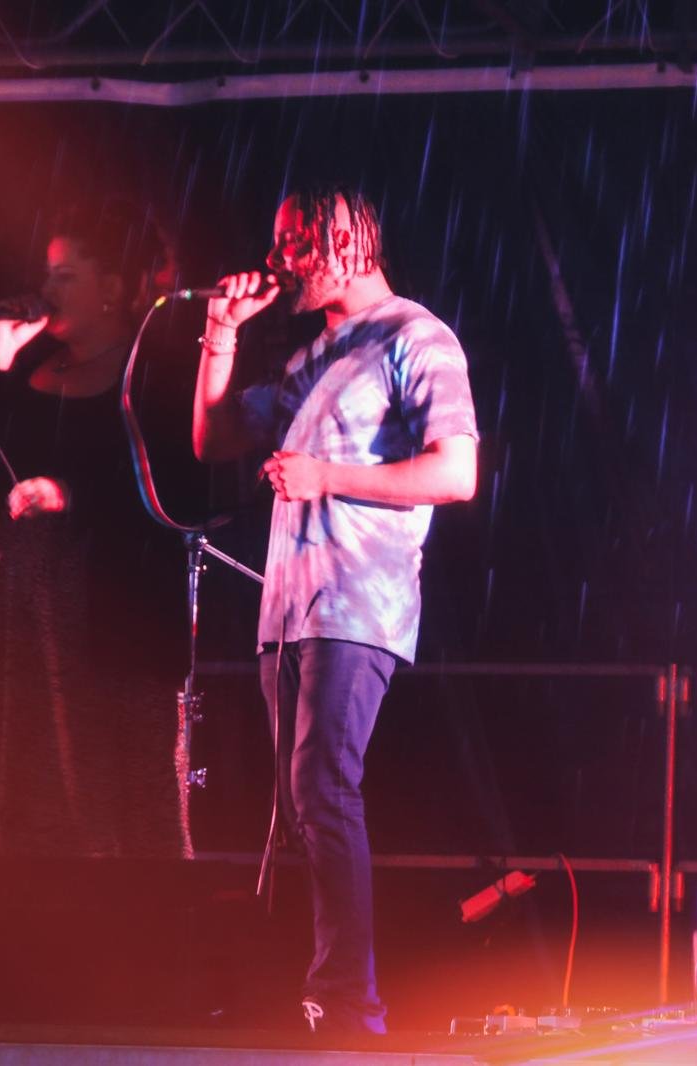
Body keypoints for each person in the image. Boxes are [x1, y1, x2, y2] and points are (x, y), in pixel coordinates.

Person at [191, 182, 478, 1035]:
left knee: (323, 785)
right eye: (279, 242)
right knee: (300, 800)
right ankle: (324, 991)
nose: (281, 259)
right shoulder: (305, 360)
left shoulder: (417, 337)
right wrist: (220, 334)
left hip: (359, 603)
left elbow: (456, 473)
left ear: (348, 239)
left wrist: (326, 477)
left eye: (298, 243)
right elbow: (212, 439)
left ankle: (349, 1002)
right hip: (287, 608)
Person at [0, 202, 191, 860]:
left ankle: (136, 906)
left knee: (120, 784)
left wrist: (70, 495)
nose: (46, 289)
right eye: (47, 275)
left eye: (65, 276)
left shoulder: (151, 373)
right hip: (27, 610)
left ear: (111, 288)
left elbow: (171, 486)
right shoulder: (31, 371)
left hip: (113, 613)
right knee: (29, 779)